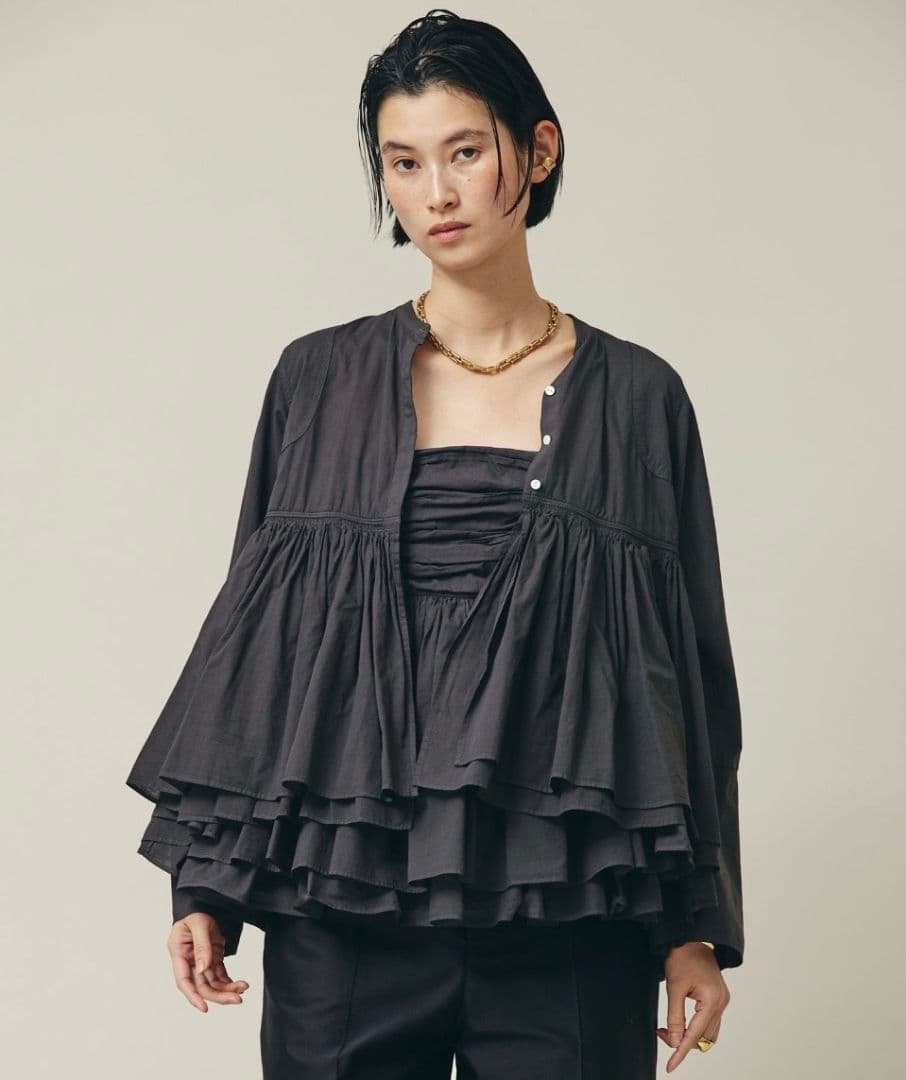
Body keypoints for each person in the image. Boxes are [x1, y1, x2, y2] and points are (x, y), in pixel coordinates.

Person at [125, 9, 743, 1078]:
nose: (437, 194)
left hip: (571, 916)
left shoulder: (642, 398)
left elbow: (685, 673)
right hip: (342, 916)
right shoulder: (316, 380)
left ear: (538, 151)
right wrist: (207, 885)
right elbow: (257, 652)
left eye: (464, 152)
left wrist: (694, 924)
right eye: (404, 163)